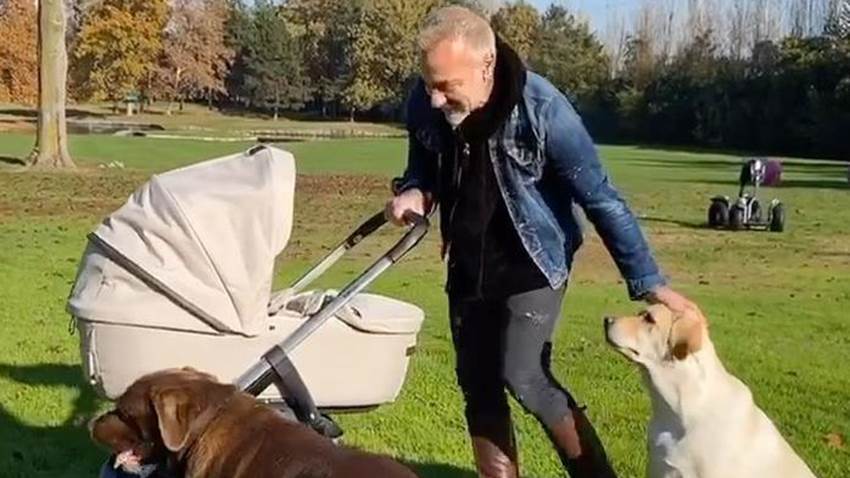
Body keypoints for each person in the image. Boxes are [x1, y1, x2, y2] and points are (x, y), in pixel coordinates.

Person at [385, 6, 700, 478]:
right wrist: (414, 189)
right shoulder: (424, 100)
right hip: (470, 262)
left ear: (486, 65)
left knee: (524, 374)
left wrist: (648, 281)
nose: (432, 98)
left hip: (533, 262)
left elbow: (601, 199)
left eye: (446, 85)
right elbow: (423, 166)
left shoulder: (543, 108)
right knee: (477, 383)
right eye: (428, 83)